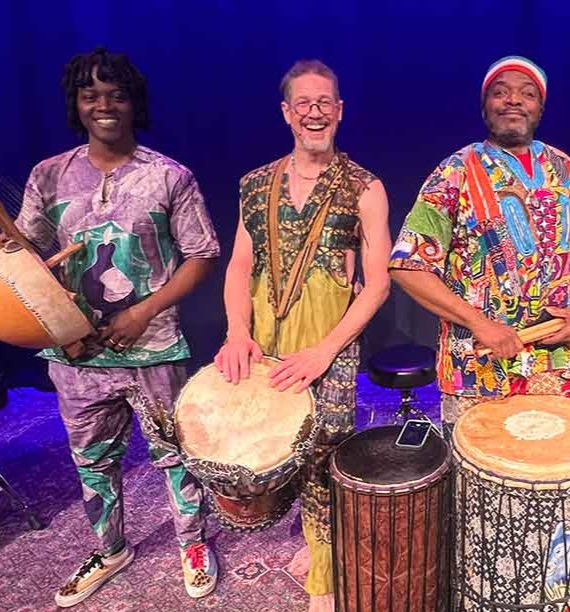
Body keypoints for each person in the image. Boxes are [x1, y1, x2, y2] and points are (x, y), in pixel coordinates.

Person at [0, 48, 220, 607]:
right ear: (76, 104)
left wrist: (142, 311)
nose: (104, 105)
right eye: (91, 95)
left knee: (176, 454)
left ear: (134, 103)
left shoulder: (169, 176)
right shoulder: (48, 176)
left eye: (116, 94)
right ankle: (110, 548)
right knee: (92, 460)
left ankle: (193, 543)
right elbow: (21, 255)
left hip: (153, 348)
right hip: (74, 350)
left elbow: (202, 255)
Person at [214, 59, 391, 612]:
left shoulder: (365, 187)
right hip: (266, 347)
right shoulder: (254, 185)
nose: (315, 113)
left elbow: (378, 284)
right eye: (304, 104)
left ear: (340, 111)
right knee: (272, 447)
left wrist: (324, 351)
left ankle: (325, 580)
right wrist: (236, 332)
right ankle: (315, 543)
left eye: (324, 103)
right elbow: (240, 265)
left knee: (323, 460)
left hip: (327, 350)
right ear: (287, 113)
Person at [389, 55, 570, 437]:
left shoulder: (563, 168)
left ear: (540, 108)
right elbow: (407, 265)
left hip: (553, 364)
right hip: (477, 369)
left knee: (546, 460)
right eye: (501, 92)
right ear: (484, 107)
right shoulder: (456, 170)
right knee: (479, 466)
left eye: (527, 94)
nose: (514, 100)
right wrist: (479, 323)